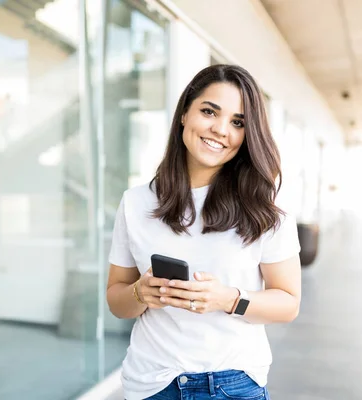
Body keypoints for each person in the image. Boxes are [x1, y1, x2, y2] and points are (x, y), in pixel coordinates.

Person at [106, 64, 302, 400]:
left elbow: (288, 304)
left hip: (233, 384)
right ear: (184, 113)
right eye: (209, 111)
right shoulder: (135, 203)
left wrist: (228, 299)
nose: (221, 130)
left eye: (237, 122)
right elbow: (117, 300)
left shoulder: (264, 206)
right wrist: (141, 292)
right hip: (152, 384)